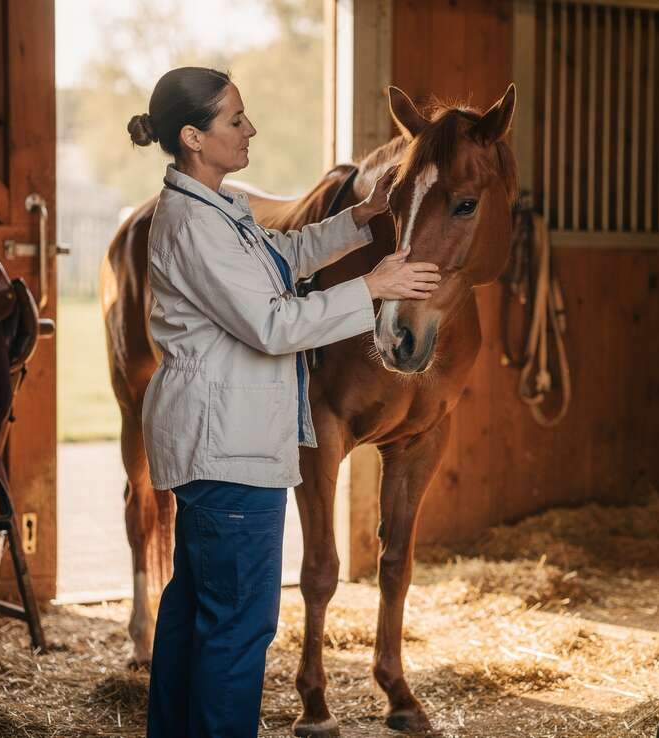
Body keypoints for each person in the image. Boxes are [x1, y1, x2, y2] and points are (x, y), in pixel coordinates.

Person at [128, 66, 439, 738]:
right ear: (192, 136)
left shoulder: (215, 206)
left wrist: (358, 220)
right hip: (231, 453)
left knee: (193, 614)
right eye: (234, 120)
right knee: (239, 628)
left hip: (221, 445)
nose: (251, 129)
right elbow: (272, 324)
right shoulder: (194, 225)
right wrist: (372, 290)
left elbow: (280, 254)